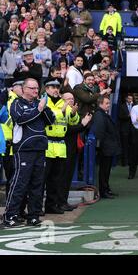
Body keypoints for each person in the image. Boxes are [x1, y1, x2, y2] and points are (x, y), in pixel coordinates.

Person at [3, 78, 55, 227]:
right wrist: (38, 109)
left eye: (37, 88)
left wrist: (44, 108)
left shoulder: (40, 103)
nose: (35, 91)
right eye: (32, 88)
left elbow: (51, 121)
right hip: (24, 150)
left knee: (38, 185)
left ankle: (33, 216)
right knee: (19, 184)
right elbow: (20, 119)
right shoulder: (17, 103)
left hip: (40, 149)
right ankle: (10, 216)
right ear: (24, 89)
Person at [43, 79, 80, 214]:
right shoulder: (44, 102)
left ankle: (51, 206)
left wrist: (74, 113)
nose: (55, 89)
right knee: (42, 179)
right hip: (47, 145)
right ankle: (37, 207)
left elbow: (73, 121)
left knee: (55, 179)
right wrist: (63, 110)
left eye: (57, 87)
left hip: (60, 146)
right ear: (46, 89)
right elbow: (50, 117)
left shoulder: (62, 103)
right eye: (52, 87)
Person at [62, 92, 92, 210]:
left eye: (72, 98)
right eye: (68, 98)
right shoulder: (62, 110)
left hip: (72, 147)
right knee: (62, 177)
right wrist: (83, 124)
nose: (71, 101)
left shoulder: (73, 111)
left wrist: (83, 123)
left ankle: (63, 201)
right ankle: (60, 202)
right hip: (64, 148)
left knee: (68, 176)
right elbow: (66, 129)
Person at [92, 95, 122, 199]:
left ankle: (106, 189)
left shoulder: (102, 114)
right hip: (105, 148)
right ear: (100, 104)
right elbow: (99, 132)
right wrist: (102, 146)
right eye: (106, 103)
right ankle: (103, 191)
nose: (109, 105)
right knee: (104, 170)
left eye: (109, 103)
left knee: (106, 170)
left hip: (108, 147)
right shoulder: (99, 115)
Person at [118, 94, 134, 167]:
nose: (130, 100)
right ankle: (125, 162)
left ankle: (131, 161)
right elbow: (120, 116)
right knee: (124, 146)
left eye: (131, 98)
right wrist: (128, 116)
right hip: (124, 129)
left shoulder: (135, 106)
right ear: (126, 99)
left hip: (132, 128)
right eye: (129, 98)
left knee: (131, 145)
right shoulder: (122, 106)